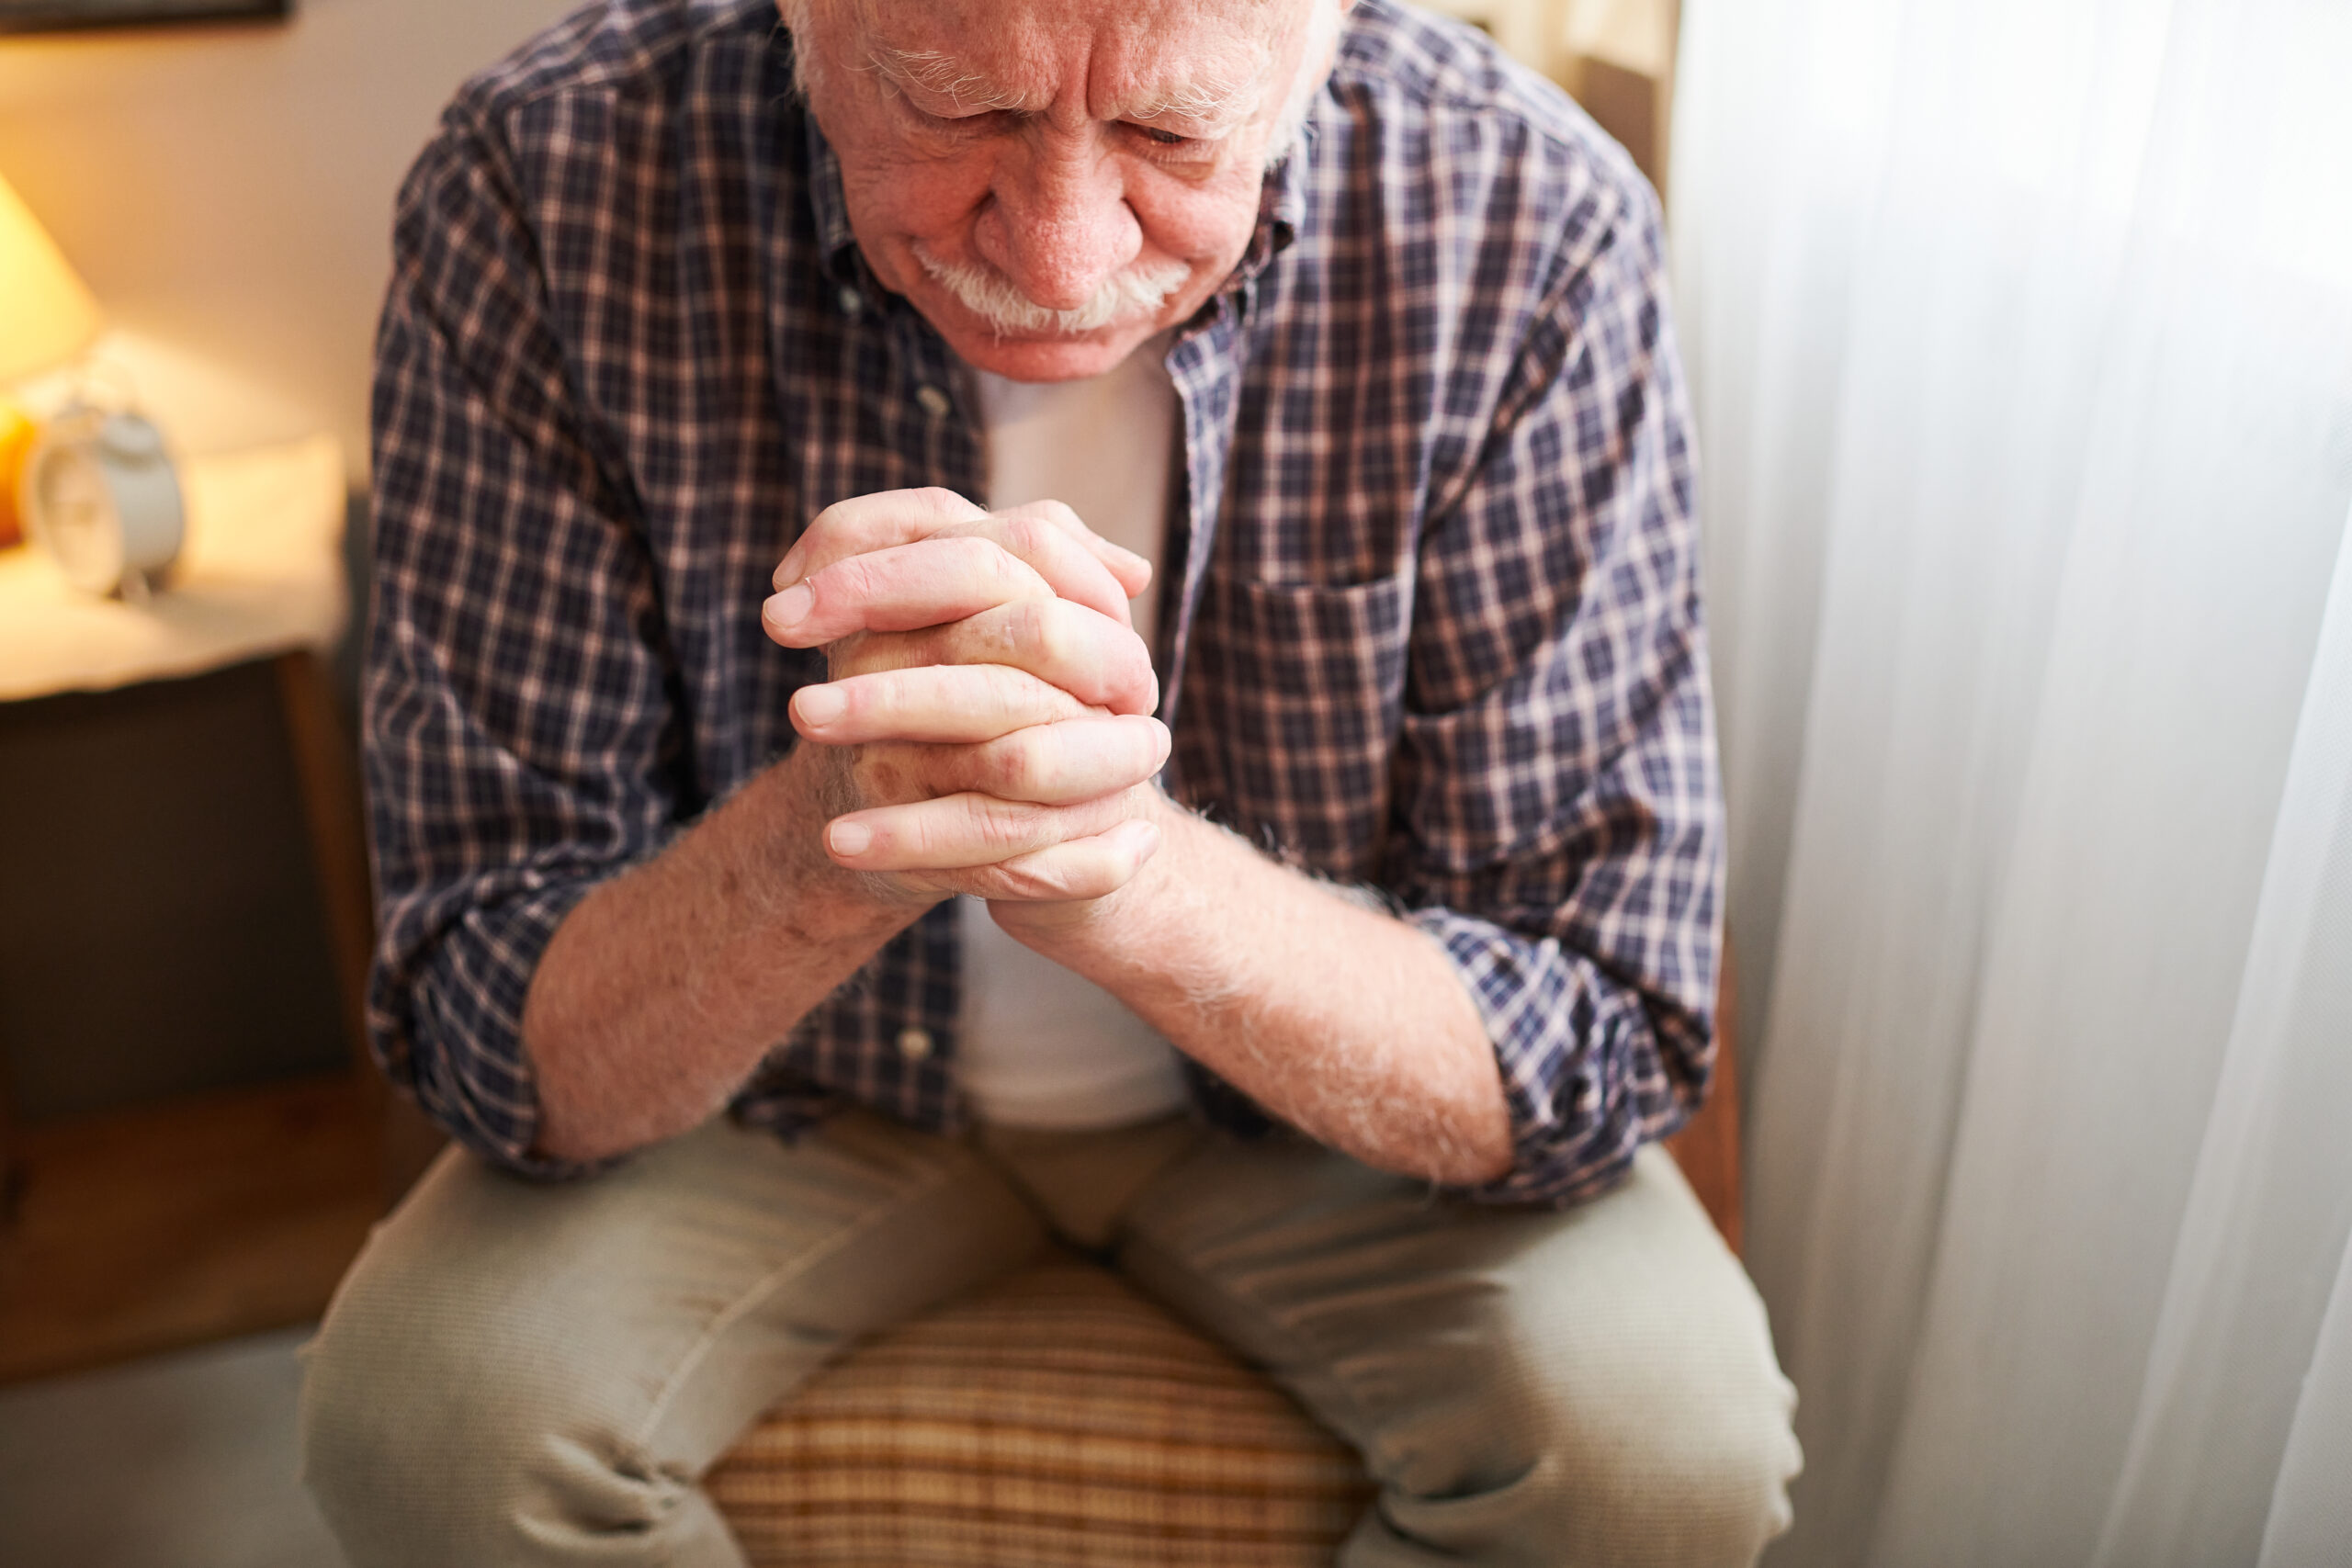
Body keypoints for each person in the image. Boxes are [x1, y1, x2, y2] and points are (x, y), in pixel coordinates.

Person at [299, 0, 1801, 1562]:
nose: (1062, 262)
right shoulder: (543, 179)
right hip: (787, 1108)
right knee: (424, 1420)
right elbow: (487, 1014)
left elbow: (1602, 1026)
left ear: (1319, 43)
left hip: (1311, 1133)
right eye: (955, 113)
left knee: (1657, 1450)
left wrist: (1126, 872)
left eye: (1171, 135)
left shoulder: (1528, 216)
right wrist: (839, 834)